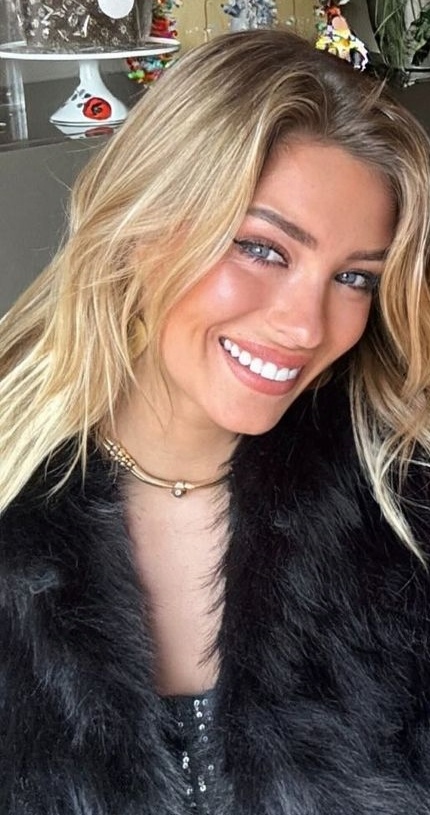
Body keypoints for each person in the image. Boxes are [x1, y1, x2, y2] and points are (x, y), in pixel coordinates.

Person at [0, 27, 430, 815]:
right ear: (142, 227)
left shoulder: (402, 516)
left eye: (355, 278)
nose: (306, 325)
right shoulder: (12, 500)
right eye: (263, 249)